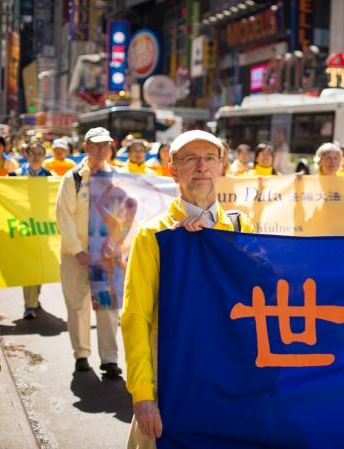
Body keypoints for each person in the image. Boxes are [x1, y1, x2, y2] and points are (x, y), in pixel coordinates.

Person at [121, 130, 255, 448]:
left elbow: (259, 298)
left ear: (222, 166)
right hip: (171, 383)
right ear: (173, 169)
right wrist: (143, 396)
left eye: (209, 158)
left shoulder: (242, 228)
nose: (201, 166)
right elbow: (134, 317)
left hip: (229, 382)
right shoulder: (153, 236)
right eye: (190, 159)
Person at [55, 127, 122, 377]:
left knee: (108, 306)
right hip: (75, 255)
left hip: (106, 255)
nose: (101, 149)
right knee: (78, 304)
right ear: (85, 146)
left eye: (105, 145)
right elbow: (64, 216)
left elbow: (124, 215)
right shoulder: (73, 178)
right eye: (96, 144)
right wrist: (77, 250)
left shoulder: (117, 177)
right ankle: (81, 354)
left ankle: (109, 359)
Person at [9, 142, 52, 318]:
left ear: (44, 156)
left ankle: (35, 298)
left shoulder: (50, 176)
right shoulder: (14, 175)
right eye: (33, 153)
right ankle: (30, 305)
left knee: (40, 266)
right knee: (29, 265)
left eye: (40, 153)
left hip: (43, 228)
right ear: (26, 154)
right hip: (22, 226)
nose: (36, 156)